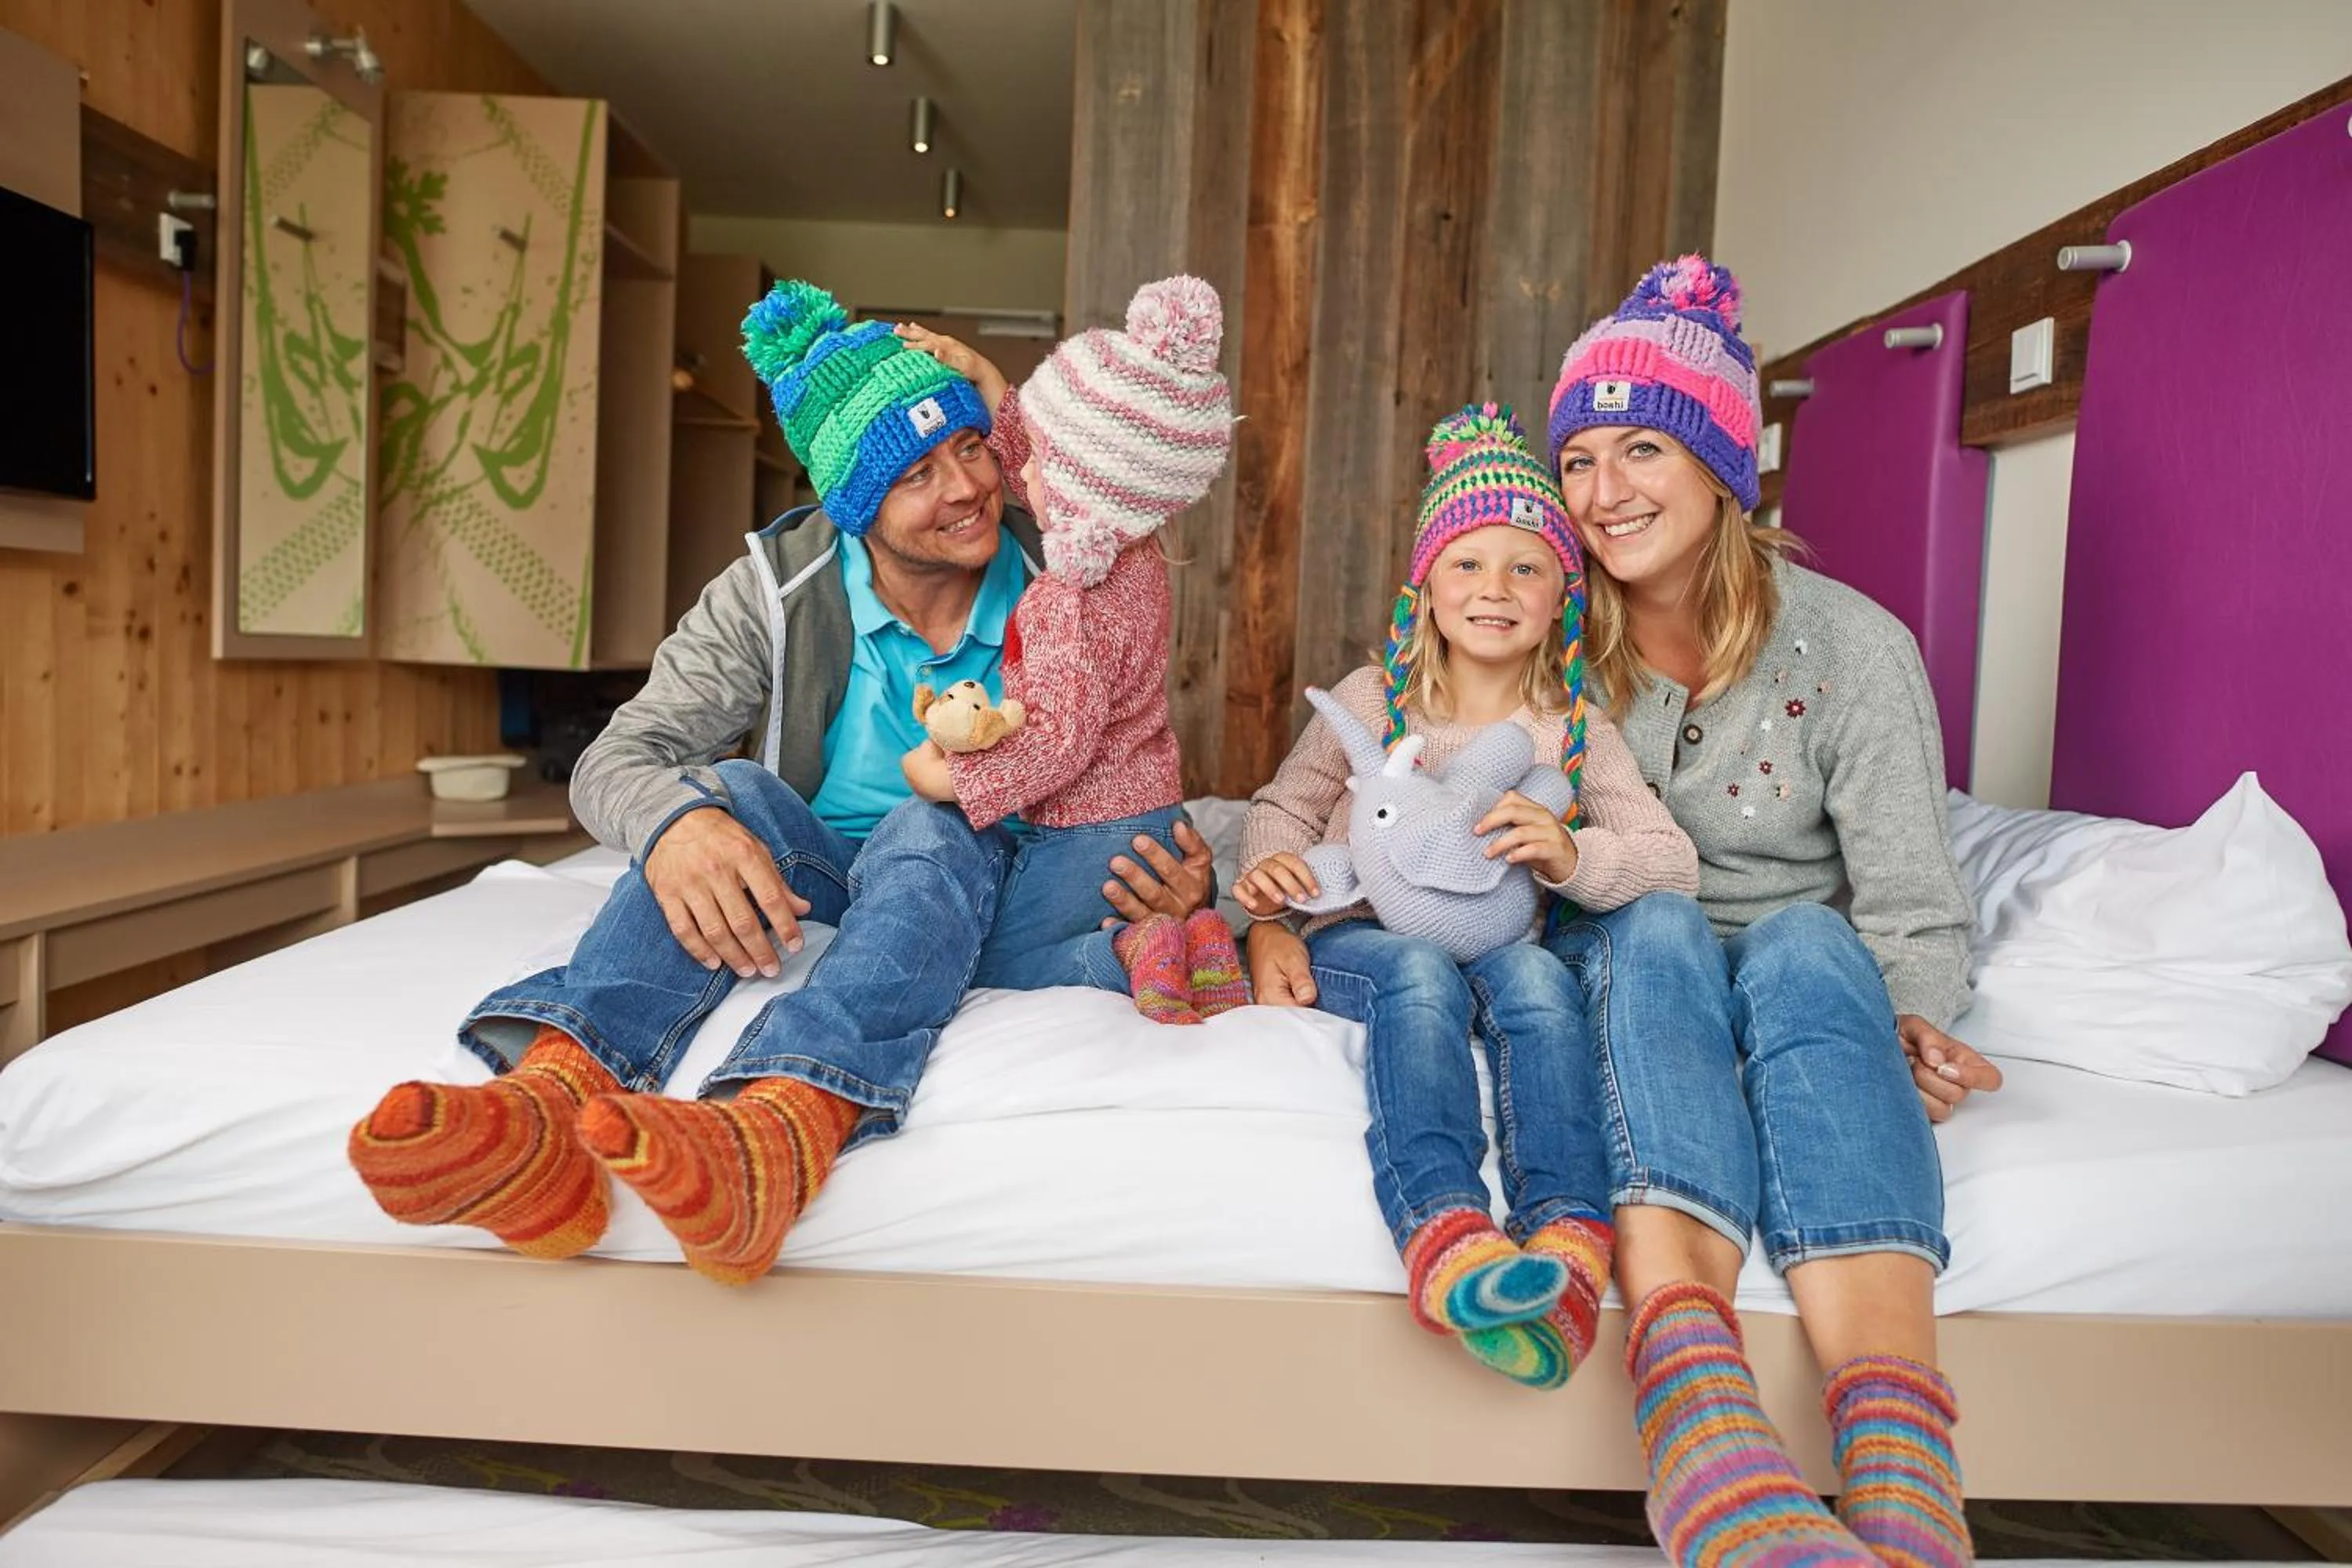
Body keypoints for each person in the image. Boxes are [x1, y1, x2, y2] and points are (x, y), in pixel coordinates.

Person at [347, 280, 1211, 1286]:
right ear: (854, 504)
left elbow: (1126, 761)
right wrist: (676, 826)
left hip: (1003, 880)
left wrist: (1179, 891)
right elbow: (617, 761)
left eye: (972, 448)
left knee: (932, 826)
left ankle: (780, 1127)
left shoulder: (1068, 553)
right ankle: (548, 1109)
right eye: (919, 474)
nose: (967, 488)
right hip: (832, 881)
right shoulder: (774, 589)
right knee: (729, 793)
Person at [1544, 254, 2003, 1568]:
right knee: (1659, 926)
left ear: (1724, 467)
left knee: (1813, 942)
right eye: (1578, 459)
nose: (1603, 493)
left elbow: (1912, 896)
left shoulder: (1855, 650)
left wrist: (1911, 1021)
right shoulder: (1551, 636)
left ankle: (1907, 1470)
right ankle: (1702, 1425)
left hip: (1800, 963)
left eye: (1641, 450)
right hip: (1628, 939)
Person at [1232, 405, 1698, 1388]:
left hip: (1499, 939)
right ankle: (1447, 1227)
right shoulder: (1374, 699)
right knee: (1414, 975)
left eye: (1526, 566)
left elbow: (1671, 860)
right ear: (1426, 589)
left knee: (1538, 984)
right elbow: (1283, 807)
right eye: (1468, 565)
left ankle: (1569, 1235)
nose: (1496, 587)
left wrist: (1571, 852)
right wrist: (1269, 907)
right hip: (1358, 926)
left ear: (1561, 595)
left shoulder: (1572, 729)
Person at [901, 276, 1246, 1024]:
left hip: (1095, 829)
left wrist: (955, 779)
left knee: (994, 959)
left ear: (1082, 491)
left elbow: (1057, 740)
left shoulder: (1065, 598)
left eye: (1035, 465)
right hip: (1155, 808)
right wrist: (992, 382)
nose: (1015, 474)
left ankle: (1130, 952)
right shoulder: (1137, 551)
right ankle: (1202, 937)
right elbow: (1069, 456)